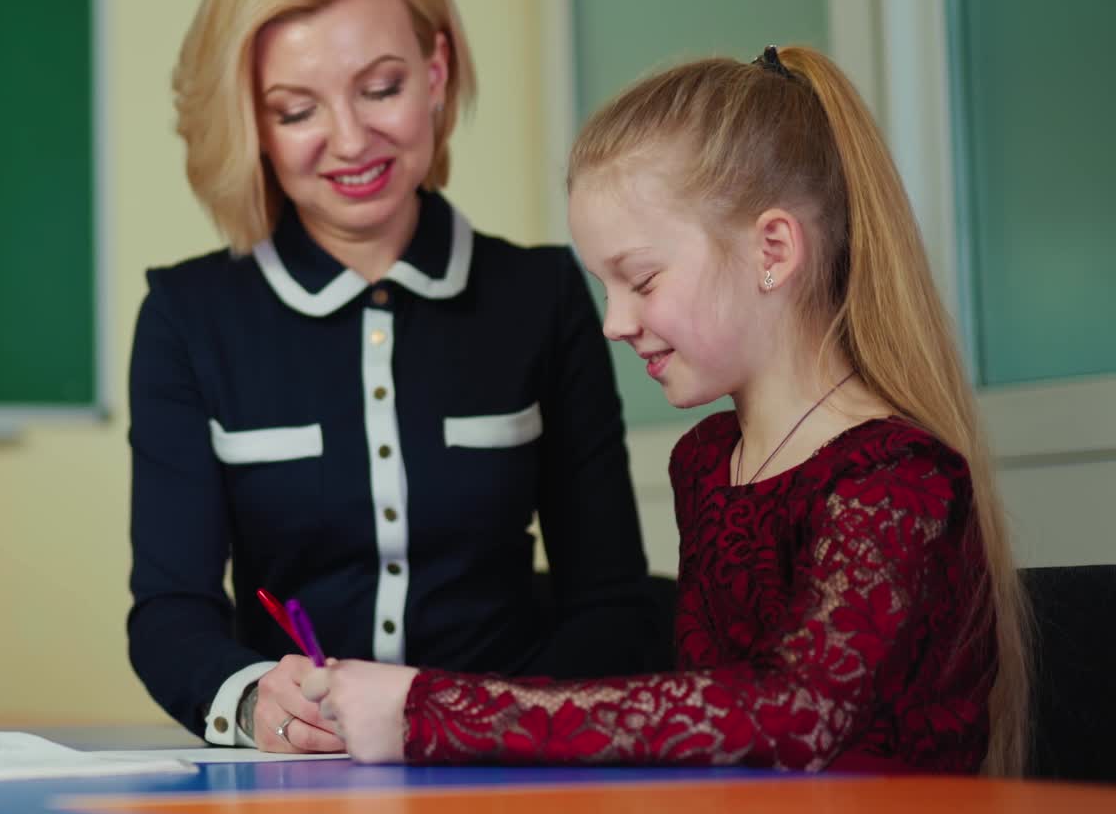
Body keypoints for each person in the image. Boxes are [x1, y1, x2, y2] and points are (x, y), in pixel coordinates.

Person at [302, 45, 1031, 775]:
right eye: (604, 288)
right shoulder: (710, 460)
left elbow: (799, 717)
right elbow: (707, 716)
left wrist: (431, 711)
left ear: (773, 248)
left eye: (641, 280)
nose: (614, 322)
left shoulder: (896, 478)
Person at [126, 0, 656, 752]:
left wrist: (489, 728)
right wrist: (251, 697)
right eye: (297, 109)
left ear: (436, 73)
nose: (350, 139)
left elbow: (610, 601)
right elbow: (170, 616)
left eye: (381, 89)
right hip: (295, 787)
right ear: (253, 126)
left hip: (511, 772)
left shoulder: (542, 295)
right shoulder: (188, 319)